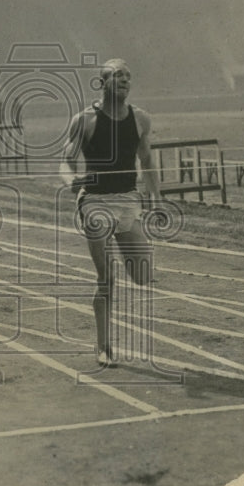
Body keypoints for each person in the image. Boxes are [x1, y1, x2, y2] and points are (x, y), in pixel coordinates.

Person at [60, 59, 161, 367]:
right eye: (118, 77)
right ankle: (104, 346)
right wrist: (70, 180)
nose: (125, 81)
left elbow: (147, 161)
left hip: (128, 200)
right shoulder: (85, 120)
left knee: (143, 275)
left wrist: (156, 199)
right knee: (108, 277)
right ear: (102, 82)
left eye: (128, 77)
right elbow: (65, 161)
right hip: (95, 202)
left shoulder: (141, 118)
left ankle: (124, 256)